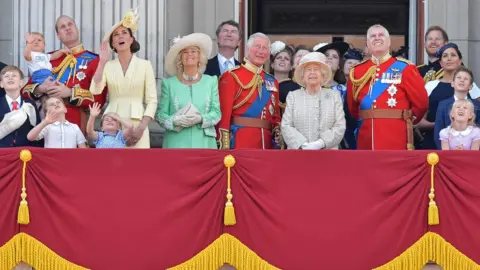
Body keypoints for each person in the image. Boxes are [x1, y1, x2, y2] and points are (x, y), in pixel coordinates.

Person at [347, 24, 428, 150]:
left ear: (389, 41)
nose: (377, 38)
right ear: (367, 43)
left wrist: (406, 120)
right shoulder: (357, 71)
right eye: (373, 36)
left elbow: (421, 103)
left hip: (396, 136)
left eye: (381, 35)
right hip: (366, 137)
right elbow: (353, 108)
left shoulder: (406, 68)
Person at [22, 15, 107, 134]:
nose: (67, 28)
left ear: (76, 29)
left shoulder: (94, 60)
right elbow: (24, 91)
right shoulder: (47, 59)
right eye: (62, 27)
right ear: (58, 35)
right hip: (46, 124)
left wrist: (70, 93)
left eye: (70, 24)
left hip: (76, 123)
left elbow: (99, 99)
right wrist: (41, 88)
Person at [90, 8, 157, 148]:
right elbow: (95, 89)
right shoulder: (107, 66)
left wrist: (141, 128)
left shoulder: (145, 65)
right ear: (113, 43)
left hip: (138, 122)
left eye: (124, 33)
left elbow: (152, 101)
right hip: (112, 124)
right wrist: (101, 62)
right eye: (116, 35)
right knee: (112, 167)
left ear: (131, 39)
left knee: (139, 166)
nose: (120, 37)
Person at [216, 33, 281, 149]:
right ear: (247, 49)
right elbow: (224, 114)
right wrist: (223, 143)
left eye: (265, 48)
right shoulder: (231, 76)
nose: (261, 51)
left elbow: (275, 116)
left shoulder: (272, 81)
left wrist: (277, 136)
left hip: (267, 143)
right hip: (240, 140)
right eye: (257, 46)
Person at [157, 33, 221, 149]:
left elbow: (216, 113)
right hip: (176, 144)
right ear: (180, 58)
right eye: (185, 52)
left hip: (204, 143)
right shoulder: (169, 84)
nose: (189, 54)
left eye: (193, 51)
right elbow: (161, 115)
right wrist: (175, 121)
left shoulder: (211, 81)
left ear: (199, 56)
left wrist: (201, 118)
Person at [417, 43, 480, 149]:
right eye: (445, 56)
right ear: (441, 63)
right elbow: (419, 121)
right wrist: (439, 124)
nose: (449, 58)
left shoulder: (471, 86)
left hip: (468, 146)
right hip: (435, 142)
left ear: (460, 61)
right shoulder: (431, 86)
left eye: (453, 55)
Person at [281, 52, 345, 149]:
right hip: (298, 155)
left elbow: (340, 126)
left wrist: (321, 143)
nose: (312, 73)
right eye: (308, 70)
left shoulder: (334, 96)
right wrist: (302, 144)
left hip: (328, 156)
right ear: (302, 75)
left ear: (323, 74)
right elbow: (286, 126)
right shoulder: (293, 96)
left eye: (316, 70)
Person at [434, 66, 480, 149]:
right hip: (448, 154)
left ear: (471, 86)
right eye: (459, 78)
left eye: (466, 79)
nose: (462, 80)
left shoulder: (477, 105)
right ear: (452, 83)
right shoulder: (443, 105)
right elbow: (438, 130)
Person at [0, 66, 39, 147]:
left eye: (14, 76)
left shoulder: (30, 104)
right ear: (1, 84)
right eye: (6, 76)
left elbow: (36, 129)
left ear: (21, 83)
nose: (10, 78)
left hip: (26, 153)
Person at [269, 40, 300, 112]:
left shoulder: (296, 87)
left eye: (286, 59)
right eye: (279, 58)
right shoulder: (264, 83)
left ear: (291, 66)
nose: (282, 59)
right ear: (272, 64)